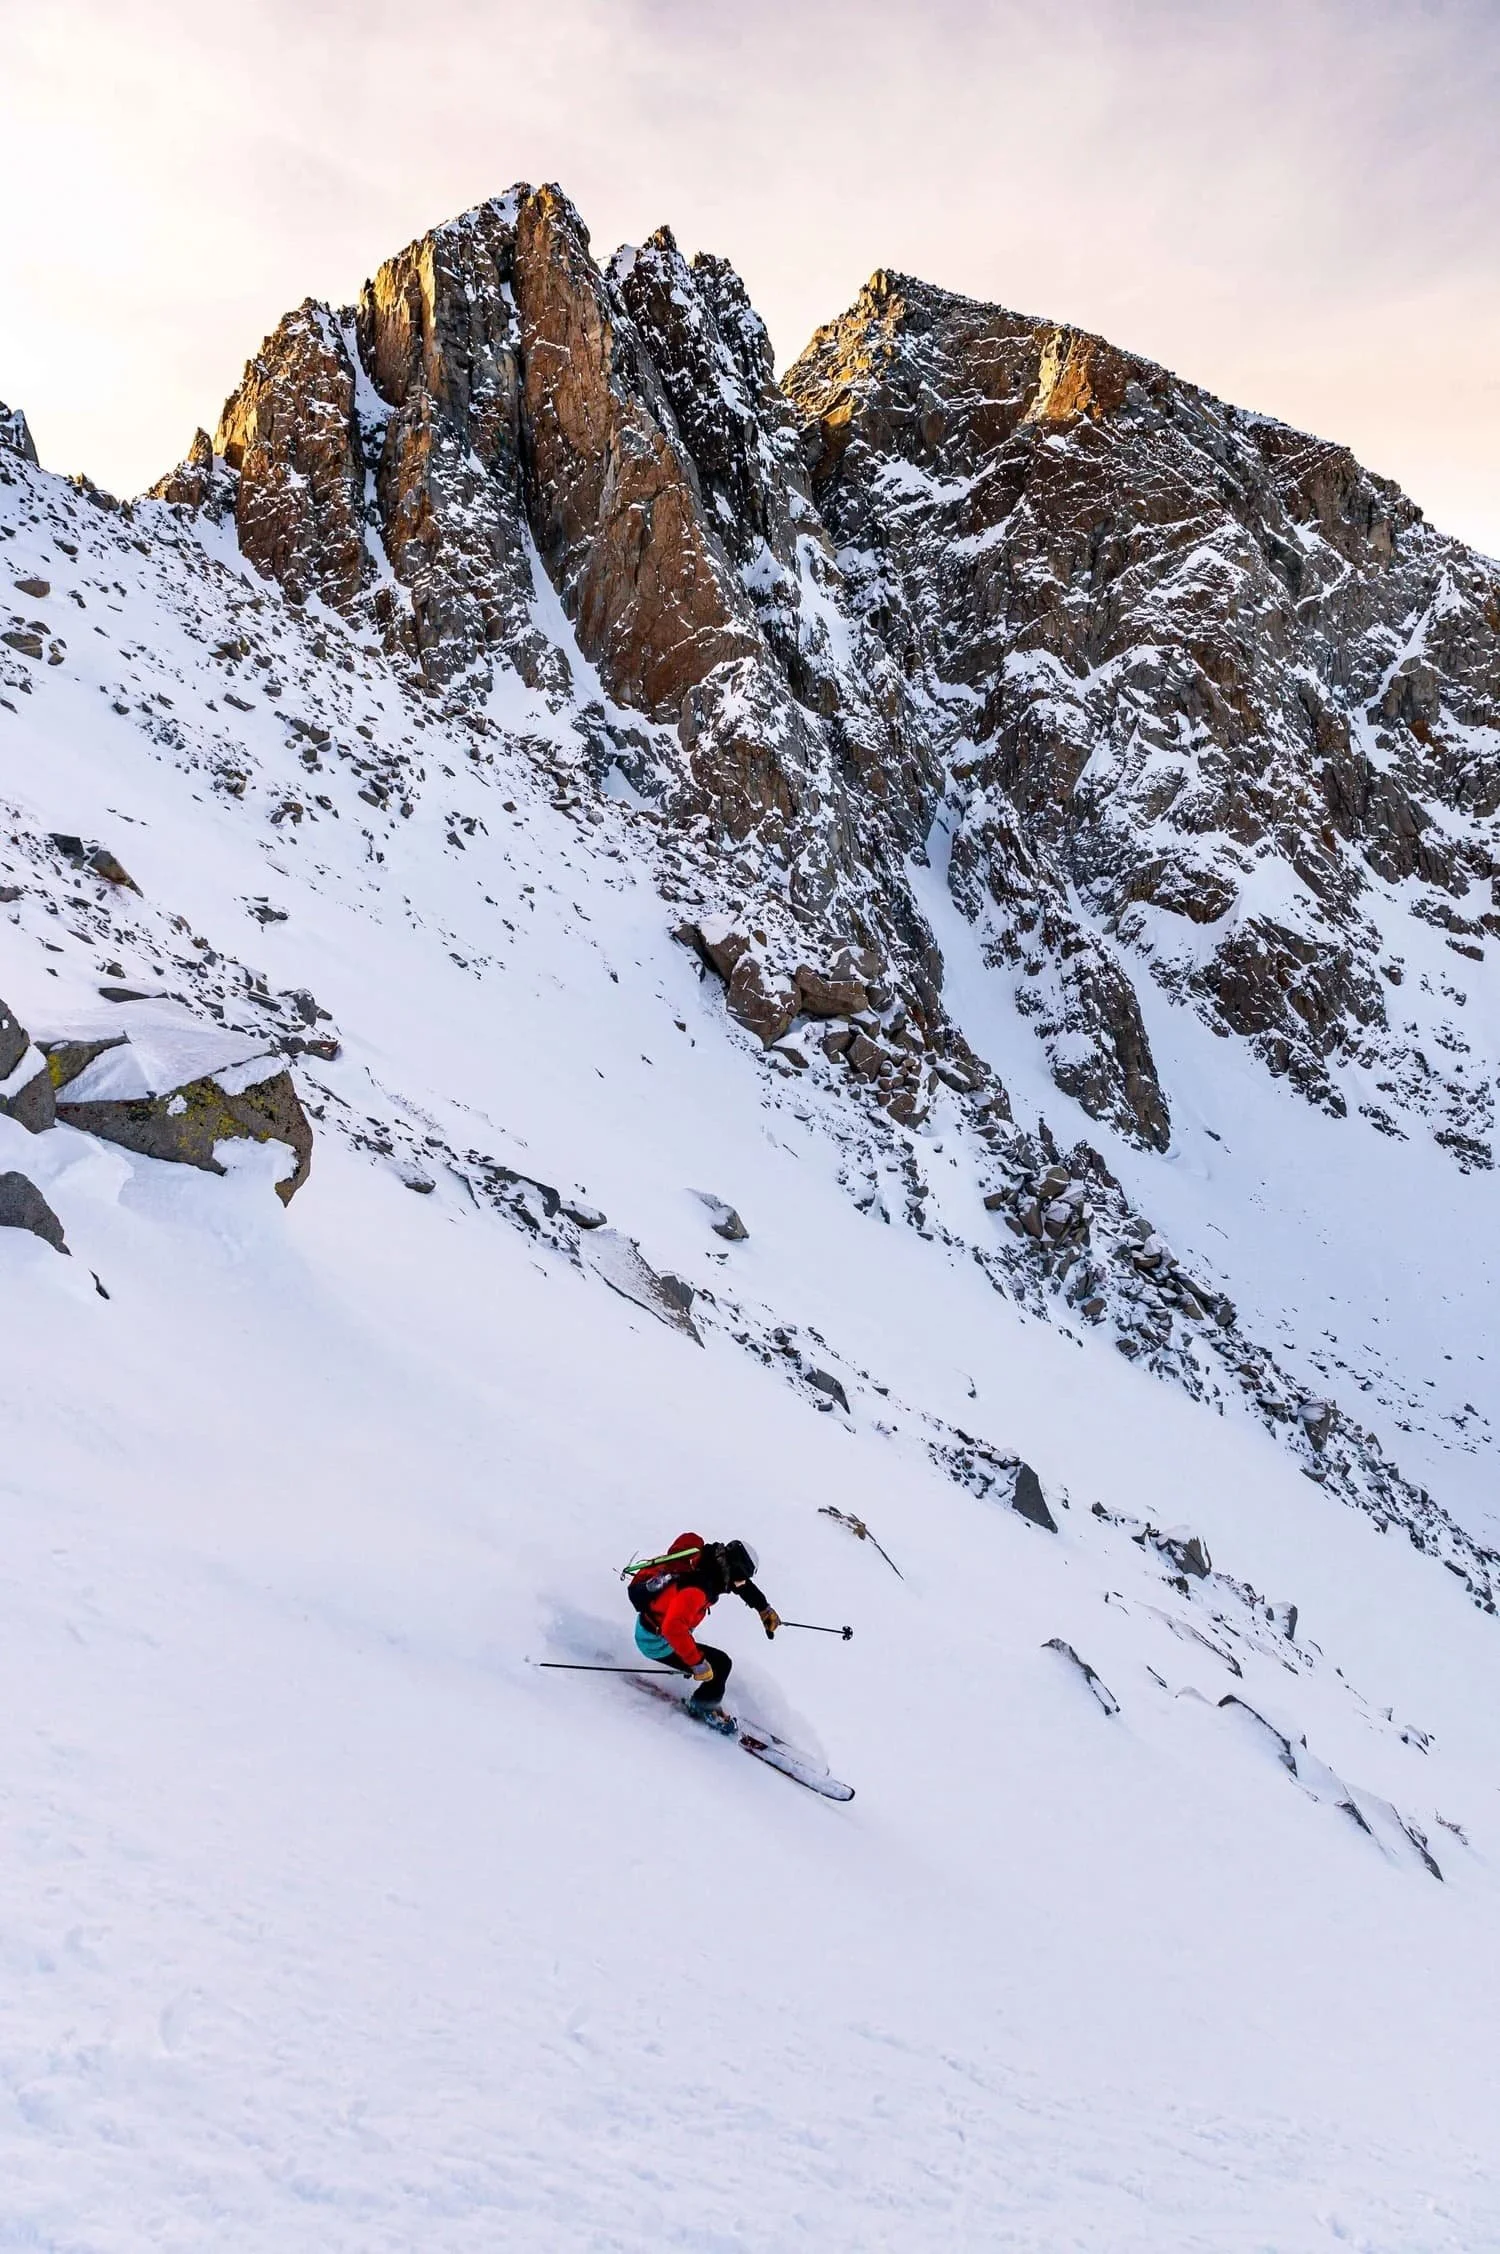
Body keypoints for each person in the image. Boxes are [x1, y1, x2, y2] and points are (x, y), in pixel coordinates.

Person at [628, 1532, 780, 1731]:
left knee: (715, 1663)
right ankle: (703, 1707)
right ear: (734, 1571)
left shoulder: (711, 1561)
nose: (743, 1583)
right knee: (720, 1665)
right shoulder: (698, 1588)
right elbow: (673, 1628)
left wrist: (763, 1608)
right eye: (742, 1577)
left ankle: (705, 1697)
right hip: (655, 1640)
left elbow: (741, 1586)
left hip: (651, 1627)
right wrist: (696, 1663)